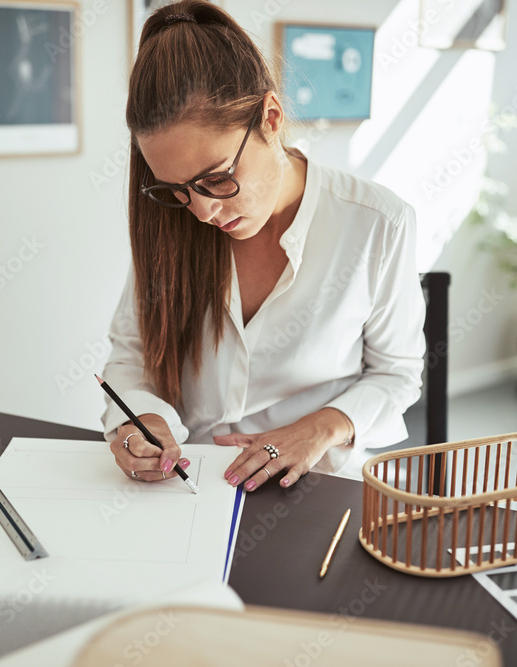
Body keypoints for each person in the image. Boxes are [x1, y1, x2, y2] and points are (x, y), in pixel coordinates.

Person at [100, 0, 426, 492]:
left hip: (314, 487)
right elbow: (131, 354)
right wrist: (137, 421)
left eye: (215, 179)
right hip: (189, 486)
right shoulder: (171, 224)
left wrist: (317, 429)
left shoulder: (378, 223)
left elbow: (397, 375)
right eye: (177, 191)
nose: (202, 211)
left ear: (270, 118)